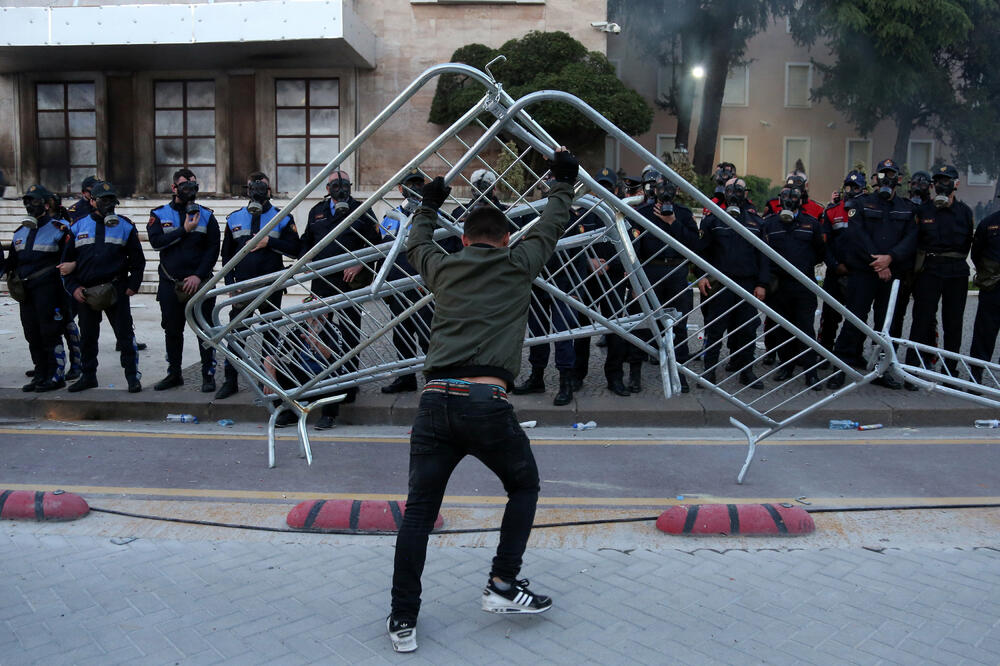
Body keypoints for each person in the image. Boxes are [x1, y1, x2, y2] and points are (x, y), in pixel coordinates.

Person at [387, 148, 578, 654]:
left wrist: (428, 203)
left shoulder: (444, 270)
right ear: (507, 239)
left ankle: (402, 618)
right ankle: (502, 584)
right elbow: (554, 223)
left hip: (434, 403)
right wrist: (562, 180)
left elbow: (417, 242)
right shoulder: (519, 265)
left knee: (419, 515)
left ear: (466, 239)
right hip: (486, 403)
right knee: (524, 486)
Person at [827, 159, 918, 390]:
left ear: (898, 179)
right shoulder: (862, 203)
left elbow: (911, 239)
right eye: (882, 174)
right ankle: (841, 368)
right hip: (864, 273)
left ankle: (883, 368)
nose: (886, 179)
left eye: (891, 174)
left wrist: (891, 258)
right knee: (855, 320)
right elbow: (856, 236)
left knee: (888, 325)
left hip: (892, 275)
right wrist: (878, 262)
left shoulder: (907, 208)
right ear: (875, 178)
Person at [214, 172, 301, 402]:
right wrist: (230, 285)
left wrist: (269, 242)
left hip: (270, 286)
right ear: (248, 190)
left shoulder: (282, 216)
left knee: (270, 333)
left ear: (269, 190)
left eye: (262, 188)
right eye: (254, 188)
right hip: (242, 288)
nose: (258, 193)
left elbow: (296, 249)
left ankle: (268, 379)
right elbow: (226, 256)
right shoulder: (234, 218)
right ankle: (230, 380)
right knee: (236, 335)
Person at [298, 170, 380, 411]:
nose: (340, 187)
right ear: (327, 188)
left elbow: (378, 242)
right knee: (320, 331)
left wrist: (360, 263)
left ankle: (350, 381)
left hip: (349, 282)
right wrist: (304, 262)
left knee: (350, 331)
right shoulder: (317, 211)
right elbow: (307, 240)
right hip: (322, 282)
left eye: (344, 183)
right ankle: (322, 378)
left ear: (350, 185)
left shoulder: (362, 209)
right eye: (335, 184)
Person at [62, 181, 145, 393]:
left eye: (111, 200)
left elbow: (137, 260)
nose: (109, 204)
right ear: (92, 201)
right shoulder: (78, 226)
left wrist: (132, 286)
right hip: (87, 292)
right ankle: (88, 376)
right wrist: (74, 288)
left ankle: (132, 378)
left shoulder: (125, 226)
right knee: (88, 338)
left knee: (125, 337)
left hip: (115, 289)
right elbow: (66, 264)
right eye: (103, 200)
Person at [147, 168, 221, 392]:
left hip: (200, 282)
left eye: (193, 187)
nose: (190, 191)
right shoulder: (159, 214)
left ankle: (208, 374)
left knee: (205, 331)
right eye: (185, 186)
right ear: (174, 188)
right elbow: (156, 242)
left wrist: (198, 276)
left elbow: (212, 249)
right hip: (171, 283)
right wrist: (183, 230)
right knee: (172, 330)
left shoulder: (207, 215)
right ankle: (174, 373)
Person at [694, 177, 770, 388]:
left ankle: (746, 372)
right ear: (724, 193)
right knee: (714, 329)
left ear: (745, 194)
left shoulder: (757, 222)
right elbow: (701, 252)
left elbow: (764, 256)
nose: (734, 194)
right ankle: (709, 372)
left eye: (739, 190)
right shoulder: (712, 220)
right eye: (730, 190)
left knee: (747, 330)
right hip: (720, 284)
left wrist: (762, 284)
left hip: (746, 285)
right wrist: (701, 276)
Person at [627, 172, 699, 393]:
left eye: (670, 188)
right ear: (653, 190)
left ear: (677, 191)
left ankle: (681, 374)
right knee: (641, 324)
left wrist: (673, 223)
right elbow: (633, 250)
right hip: (650, 271)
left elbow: (694, 246)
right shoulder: (643, 213)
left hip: (676, 272)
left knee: (679, 325)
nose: (665, 192)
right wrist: (634, 284)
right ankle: (635, 374)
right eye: (660, 188)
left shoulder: (684, 215)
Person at [904, 165, 974, 382]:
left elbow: (971, 245)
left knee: (953, 323)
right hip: (930, 271)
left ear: (956, 184)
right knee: (921, 320)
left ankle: (950, 371)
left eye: (947, 180)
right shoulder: (923, 211)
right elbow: (914, 241)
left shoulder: (965, 212)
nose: (942, 185)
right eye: (938, 181)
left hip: (957, 273)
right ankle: (912, 369)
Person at [7, 185, 73, 392]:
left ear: (46, 204)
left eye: (34, 201)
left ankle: (56, 375)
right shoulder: (20, 232)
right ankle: (40, 373)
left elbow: (70, 260)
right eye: (27, 201)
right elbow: (12, 263)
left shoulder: (59, 229)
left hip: (50, 292)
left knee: (50, 333)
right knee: (32, 334)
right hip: (27, 293)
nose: (29, 206)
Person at [762, 184, 825, 389]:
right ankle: (787, 366)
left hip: (803, 285)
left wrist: (804, 265)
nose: (790, 199)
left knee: (806, 329)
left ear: (801, 199)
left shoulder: (811, 224)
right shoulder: (769, 224)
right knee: (782, 329)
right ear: (780, 199)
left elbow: (820, 252)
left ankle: (811, 372)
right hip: (779, 286)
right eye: (786, 196)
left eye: (795, 196)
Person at [377, 168, 434, 395]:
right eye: (410, 184)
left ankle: (434, 378)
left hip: (423, 285)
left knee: (427, 335)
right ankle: (406, 377)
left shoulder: (432, 215)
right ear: (400, 188)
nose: (415, 188)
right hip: (397, 286)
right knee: (401, 335)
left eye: (419, 183)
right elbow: (381, 254)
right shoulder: (390, 217)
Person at [818, 170, 867, 352]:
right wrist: (835, 265)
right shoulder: (832, 212)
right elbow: (825, 244)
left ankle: (854, 353)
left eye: (856, 187)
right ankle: (825, 351)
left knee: (858, 317)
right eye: (848, 187)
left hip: (859, 273)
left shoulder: (867, 211)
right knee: (829, 315)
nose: (851, 190)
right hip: (835, 271)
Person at [969, 209, 1000, 383]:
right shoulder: (989, 223)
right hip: (993, 287)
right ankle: (976, 376)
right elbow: (977, 253)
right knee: (984, 332)